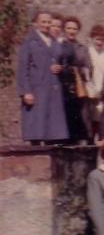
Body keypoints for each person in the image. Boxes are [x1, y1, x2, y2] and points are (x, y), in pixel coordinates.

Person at [16, 10, 68, 143]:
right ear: (36, 23)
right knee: (37, 130)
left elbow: (61, 62)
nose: (46, 25)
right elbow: (23, 68)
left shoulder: (55, 42)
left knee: (53, 132)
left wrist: (60, 68)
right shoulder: (29, 42)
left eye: (49, 22)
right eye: (43, 22)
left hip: (53, 91)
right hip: (37, 90)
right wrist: (26, 91)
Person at [58, 16, 91, 143]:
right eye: (69, 28)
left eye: (74, 28)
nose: (71, 31)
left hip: (78, 87)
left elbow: (88, 68)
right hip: (62, 87)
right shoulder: (58, 46)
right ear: (64, 29)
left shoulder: (82, 48)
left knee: (80, 118)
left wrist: (78, 71)